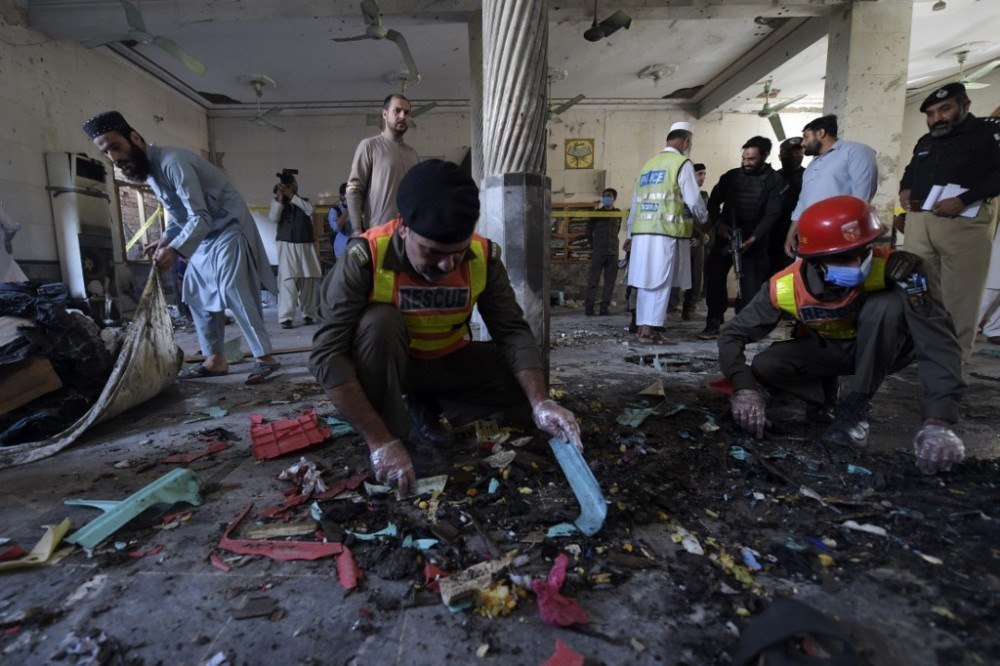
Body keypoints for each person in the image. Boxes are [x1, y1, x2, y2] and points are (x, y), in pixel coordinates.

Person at [309, 160, 581, 492]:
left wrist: (541, 401)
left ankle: (426, 404)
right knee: (379, 323)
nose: (446, 265)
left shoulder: (483, 255)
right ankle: (392, 433)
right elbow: (327, 356)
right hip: (388, 367)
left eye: (457, 253)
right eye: (433, 252)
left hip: (444, 362)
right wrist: (379, 440)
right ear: (404, 227)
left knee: (521, 385)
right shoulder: (365, 258)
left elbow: (512, 332)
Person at [719, 195, 966, 475]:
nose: (858, 264)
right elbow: (731, 336)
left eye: (863, 251)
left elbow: (938, 342)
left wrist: (939, 420)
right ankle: (826, 397)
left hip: (889, 349)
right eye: (844, 258)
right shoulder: (784, 286)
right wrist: (744, 388)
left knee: (884, 305)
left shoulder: (904, 272)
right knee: (767, 364)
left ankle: (856, 408)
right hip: (833, 352)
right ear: (814, 260)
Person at [82, 111, 280, 384]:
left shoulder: (173, 162)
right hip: (203, 236)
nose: (114, 157)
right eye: (106, 152)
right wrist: (166, 238)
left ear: (135, 137)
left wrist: (175, 250)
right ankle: (215, 359)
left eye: (115, 146)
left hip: (227, 230)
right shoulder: (151, 173)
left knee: (235, 291)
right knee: (197, 294)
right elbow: (178, 214)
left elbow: (199, 215)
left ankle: (265, 357)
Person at [899, 82, 1000, 361]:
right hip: (920, 223)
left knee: (959, 296)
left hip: (963, 223)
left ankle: (951, 360)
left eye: (945, 109)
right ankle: (919, 350)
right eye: (931, 113)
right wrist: (905, 189)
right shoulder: (927, 140)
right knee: (918, 290)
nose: (937, 118)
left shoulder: (989, 134)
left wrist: (966, 198)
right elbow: (910, 171)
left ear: (965, 106)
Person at [624, 121, 709, 345]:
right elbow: (693, 200)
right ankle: (648, 332)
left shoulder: (648, 165)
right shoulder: (681, 163)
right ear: (686, 141)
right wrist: (705, 219)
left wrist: (630, 234)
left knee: (645, 282)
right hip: (665, 233)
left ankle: (643, 328)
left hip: (642, 234)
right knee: (660, 282)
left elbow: (635, 203)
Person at [699, 137, 786, 339]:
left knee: (750, 286)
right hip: (726, 235)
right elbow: (712, 204)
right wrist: (719, 225)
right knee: (714, 276)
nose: (746, 163)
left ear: (764, 156)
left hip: (754, 240)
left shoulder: (774, 180)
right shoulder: (731, 177)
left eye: (752, 159)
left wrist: (754, 238)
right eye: (744, 158)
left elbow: (773, 213)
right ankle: (713, 320)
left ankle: (744, 327)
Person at [783, 115, 878, 256]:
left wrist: (849, 233)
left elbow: (863, 195)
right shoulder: (812, 164)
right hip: (811, 233)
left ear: (821, 133)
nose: (803, 143)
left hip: (841, 234)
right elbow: (803, 202)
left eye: (806, 137)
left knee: (840, 274)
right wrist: (791, 234)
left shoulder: (855, 151)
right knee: (809, 275)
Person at [346, 94, 420, 232]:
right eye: (397, 111)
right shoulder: (369, 146)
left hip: (410, 235)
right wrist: (357, 231)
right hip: (379, 235)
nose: (403, 116)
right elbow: (354, 190)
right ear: (384, 114)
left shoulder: (412, 154)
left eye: (407, 112)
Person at [270, 169, 321, 329]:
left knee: (308, 281)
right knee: (288, 282)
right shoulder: (277, 202)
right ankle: (286, 317)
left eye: (292, 184)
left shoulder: (303, 201)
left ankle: (309, 315)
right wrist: (280, 197)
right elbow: (273, 217)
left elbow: (310, 210)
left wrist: (292, 196)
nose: (292, 186)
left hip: (306, 246)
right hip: (287, 246)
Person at [769, 137, 805, 275]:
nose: (794, 156)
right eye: (790, 153)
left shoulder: (809, 176)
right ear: (780, 156)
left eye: (798, 152)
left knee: (793, 274)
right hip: (773, 234)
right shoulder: (773, 178)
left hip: (797, 235)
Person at [584, 187, 620, 316]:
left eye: (609, 196)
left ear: (614, 198)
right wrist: (595, 245)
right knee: (593, 280)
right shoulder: (596, 214)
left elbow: (618, 229)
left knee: (610, 282)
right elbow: (588, 232)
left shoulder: (618, 213)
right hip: (599, 251)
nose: (606, 198)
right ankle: (589, 308)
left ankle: (604, 307)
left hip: (613, 252)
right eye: (604, 195)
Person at [327, 182, 354, 260]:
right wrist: (348, 209)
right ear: (342, 196)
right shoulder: (335, 210)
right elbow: (336, 228)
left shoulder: (359, 210)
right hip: (342, 250)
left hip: (357, 249)